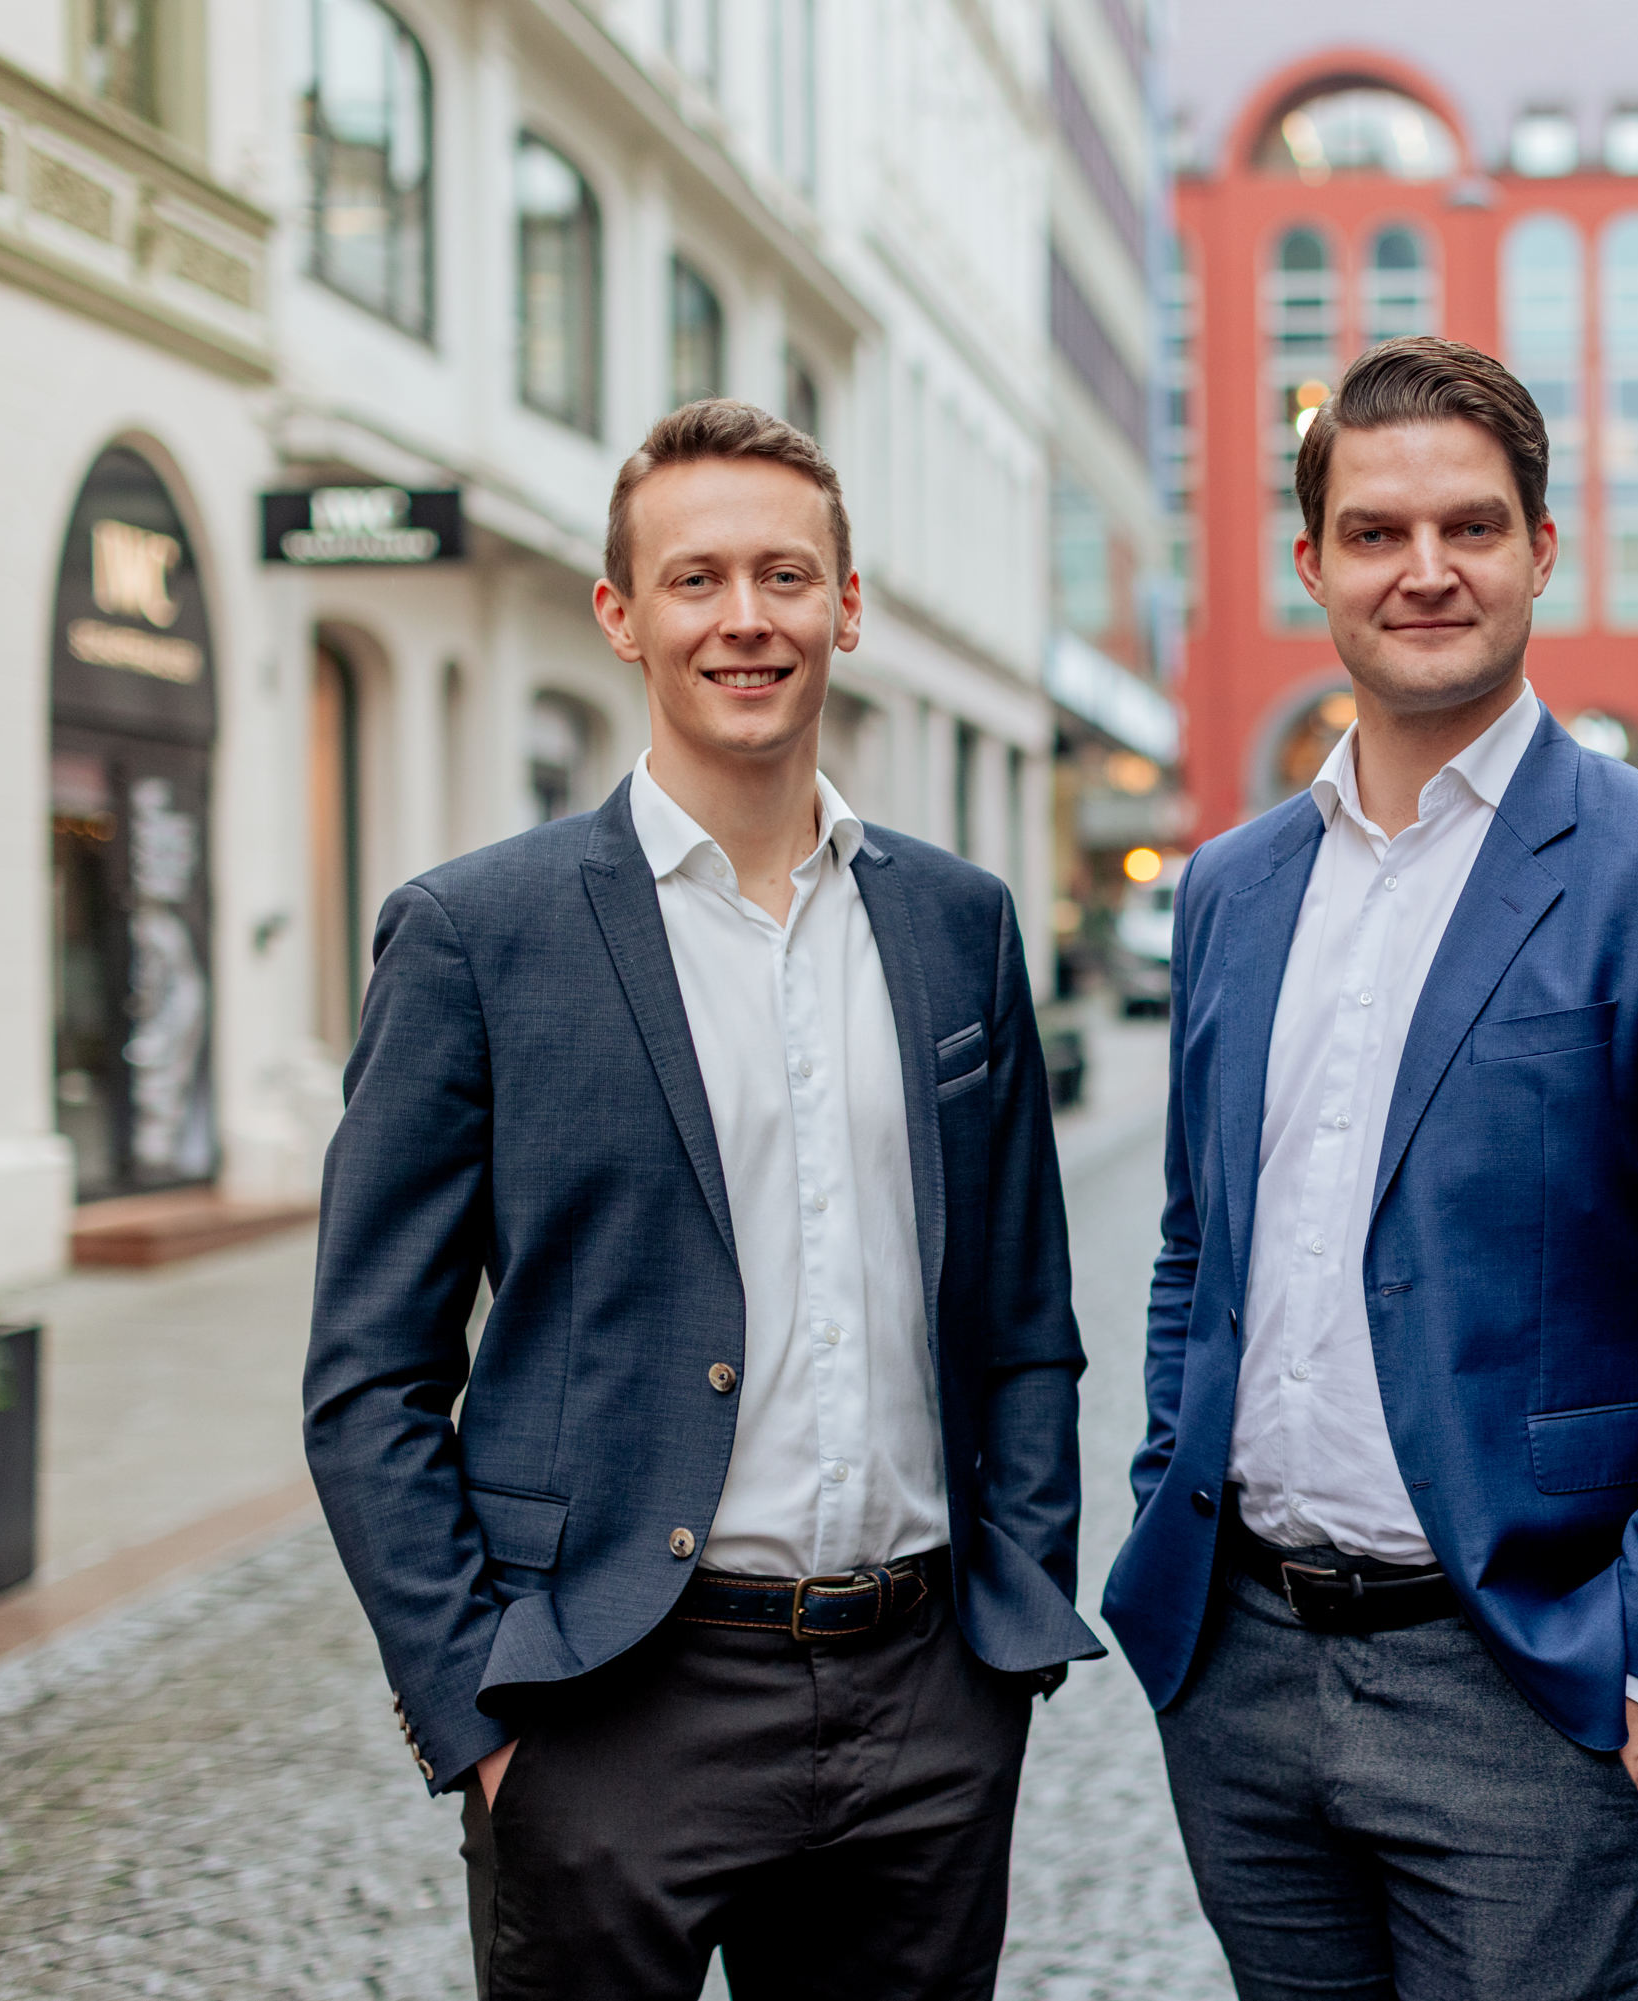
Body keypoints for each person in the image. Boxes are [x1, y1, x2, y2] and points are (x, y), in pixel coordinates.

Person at [303, 400, 1099, 2000]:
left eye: (788, 576)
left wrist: (1004, 1640)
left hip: (921, 1712)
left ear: (846, 606)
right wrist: (478, 1707)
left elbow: (1024, 1321)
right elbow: (368, 1375)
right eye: (698, 579)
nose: (747, 618)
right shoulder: (478, 936)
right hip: (613, 1710)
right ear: (623, 616)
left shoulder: (956, 925)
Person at [1102, 336, 1638, 2001]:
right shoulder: (1231, 886)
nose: (1424, 569)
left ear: (1541, 550)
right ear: (1313, 568)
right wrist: (1172, 1488)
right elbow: (1194, 1243)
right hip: (1246, 1671)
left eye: (1471, 527)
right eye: (1375, 532)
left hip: (1527, 1669)